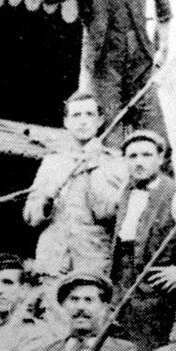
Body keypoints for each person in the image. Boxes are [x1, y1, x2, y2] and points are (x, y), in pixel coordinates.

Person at [43, 0, 172, 147]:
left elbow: (164, 7)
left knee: (156, 137)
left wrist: (163, 47)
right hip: (105, 69)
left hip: (141, 66)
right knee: (111, 137)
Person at [24, 91, 126, 284]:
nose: (83, 122)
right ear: (66, 122)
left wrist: (94, 165)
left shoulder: (115, 162)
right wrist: (46, 201)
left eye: (89, 115)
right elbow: (30, 216)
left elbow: (110, 212)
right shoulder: (51, 162)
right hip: (52, 258)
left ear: (100, 120)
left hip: (91, 258)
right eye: (76, 115)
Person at [110, 129, 176, 351]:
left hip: (154, 296)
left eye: (146, 155)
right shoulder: (125, 191)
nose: (139, 162)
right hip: (121, 286)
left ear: (161, 158)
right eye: (132, 156)